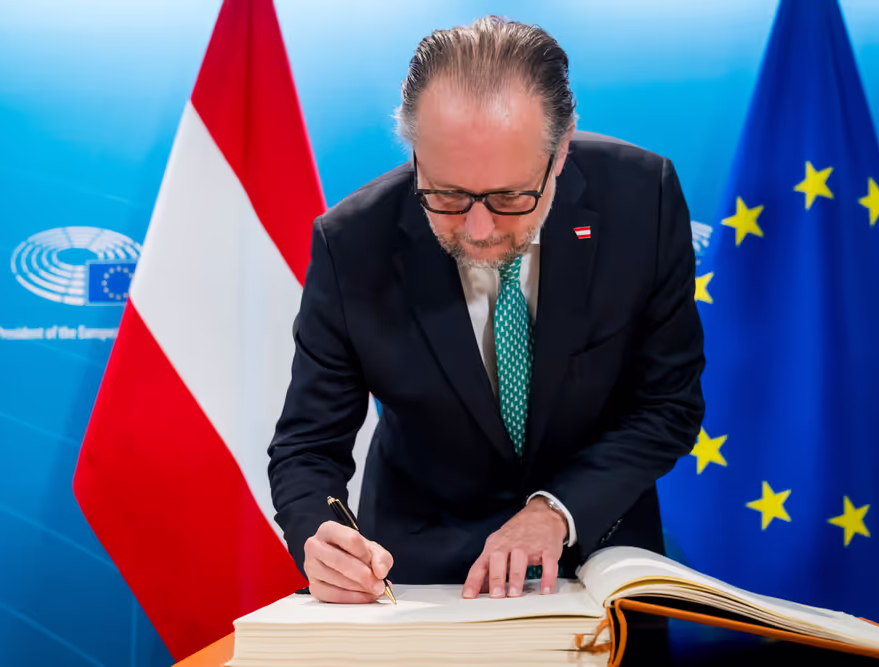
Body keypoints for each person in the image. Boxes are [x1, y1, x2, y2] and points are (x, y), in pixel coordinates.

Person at [268, 16, 704, 604]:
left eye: (510, 197)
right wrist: (318, 536)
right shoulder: (351, 243)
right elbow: (308, 446)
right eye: (447, 195)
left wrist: (556, 510)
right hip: (419, 580)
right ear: (415, 150)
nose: (478, 231)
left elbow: (668, 404)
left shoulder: (641, 198)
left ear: (561, 151)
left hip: (599, 560)